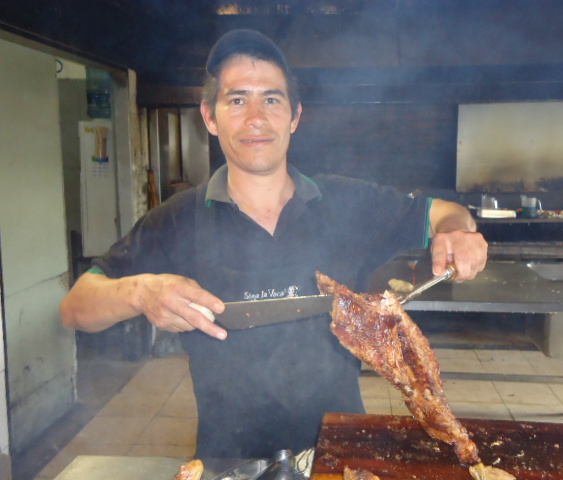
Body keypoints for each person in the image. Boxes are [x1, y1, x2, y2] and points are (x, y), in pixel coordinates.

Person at [60, 29, 488, 459]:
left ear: (295, 116)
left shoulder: (348, 202)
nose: (256, 118)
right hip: (230, 461)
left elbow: (444, 213)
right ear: (210, 117)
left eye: (271, 99)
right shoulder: (176, 219)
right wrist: (141, 292)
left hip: (338, 454)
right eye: (237, 100)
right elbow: (76, 307)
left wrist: (457, 231)